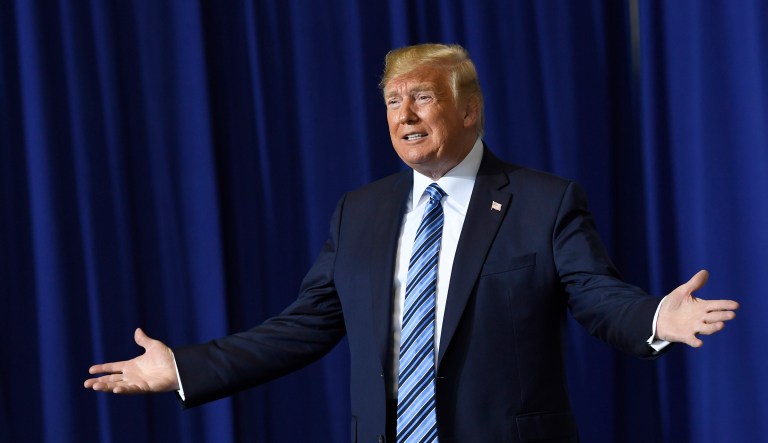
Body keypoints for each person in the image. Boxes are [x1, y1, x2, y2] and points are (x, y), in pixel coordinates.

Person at [85, 43, 739, 442]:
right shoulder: (361, 212)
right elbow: (301, 328)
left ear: (469, 110)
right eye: (393, 101)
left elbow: (597, 296)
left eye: (421, 97)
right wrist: (185, 368)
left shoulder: (543, 201)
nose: (403, 114)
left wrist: (655, 315)